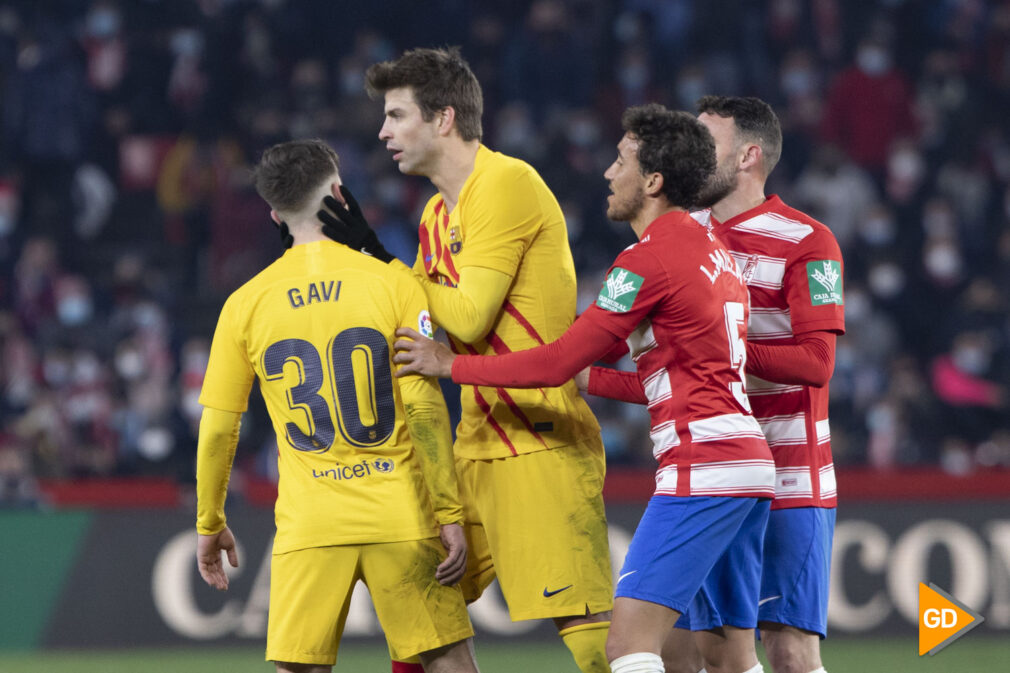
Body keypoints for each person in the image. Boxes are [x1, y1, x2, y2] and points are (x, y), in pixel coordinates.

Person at [393, 104, 774, 673]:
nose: (607, 173)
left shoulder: (647, 260)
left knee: (626, 648)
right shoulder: (714, 253)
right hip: (746, 462)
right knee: (726, 655)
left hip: (702, 466)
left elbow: (552, 362)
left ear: (652, 181)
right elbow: (671, 379)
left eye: (620, 161)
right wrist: (590, 379)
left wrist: (452, 366)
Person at [320, 47, 613, 673]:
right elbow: (425, 323)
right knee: (421, 605)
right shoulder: (433, 214)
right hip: (473, 442)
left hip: (538, 441)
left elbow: (470, 316)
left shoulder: (508, 184)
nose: (384, 131)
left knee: (593, 642)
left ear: (444, 118)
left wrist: (379, 258)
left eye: (397, 115)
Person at [194, 139, 478, 673]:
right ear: (340, 195)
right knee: (446, 661)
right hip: (402, 512)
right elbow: (423, 407)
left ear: (274, 212)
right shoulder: (394, 282)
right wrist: (449, 510)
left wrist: (210, 521)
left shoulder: (245, 304)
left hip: (310, 521)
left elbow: (217, 429)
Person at [663, 96, 845, 673]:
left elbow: (817, 363)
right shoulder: (677, 241)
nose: (686, 157)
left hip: (789, 475)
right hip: (708, 473)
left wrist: (720, 348)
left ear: (748, 155)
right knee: (687, 655)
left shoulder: (809, 242)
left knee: (789, 652)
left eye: (703, 143)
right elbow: (668, 367)